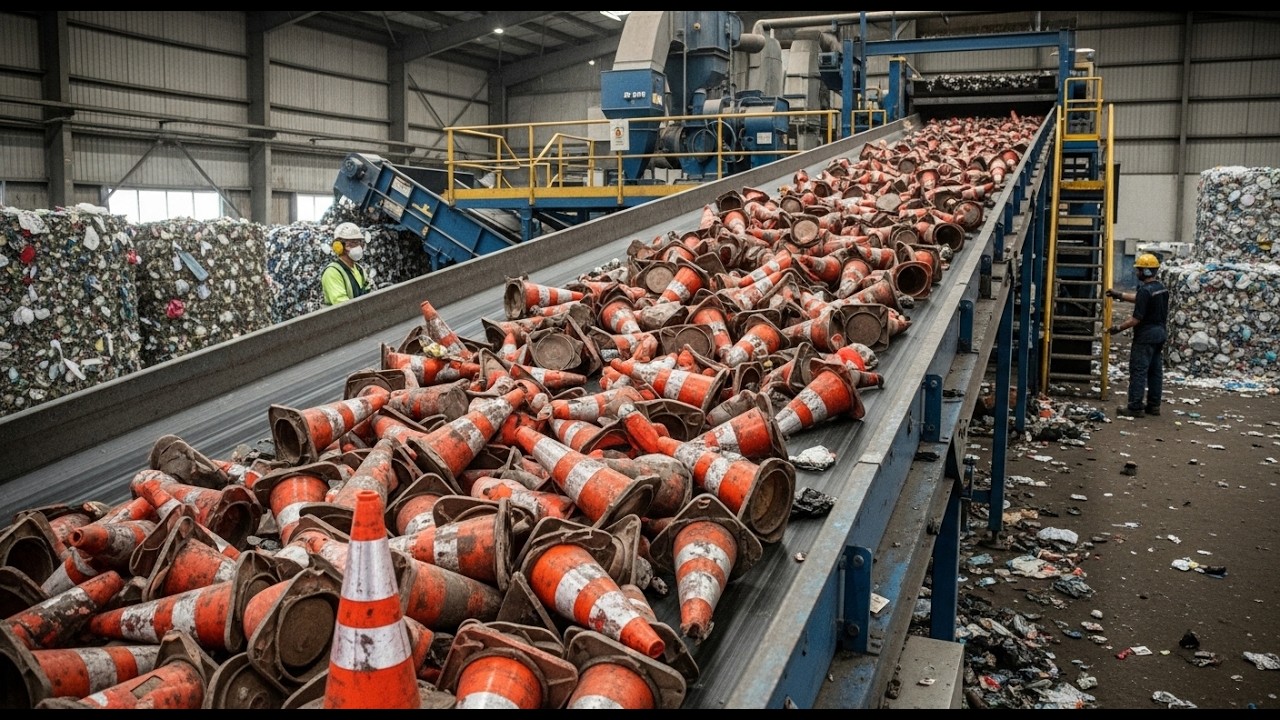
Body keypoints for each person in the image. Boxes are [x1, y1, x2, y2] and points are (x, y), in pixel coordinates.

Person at [1105, 252, 1170, 418]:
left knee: (1139, 370)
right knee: (1155, 371)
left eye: (1139, 270)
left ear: (1146, 272)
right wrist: (1119, 295)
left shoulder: (1145, 291)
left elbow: (1136, 319)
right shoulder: (1161, 288)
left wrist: (1117, 328)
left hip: (1145, 336)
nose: (1137, 273)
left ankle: (1135, 406)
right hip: (1160, 334)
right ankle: (1153, 406)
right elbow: (1140, 299)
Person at [322, 222, 372, 305]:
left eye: (359, 242)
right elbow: (343, 307)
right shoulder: (332, 272)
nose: (358, 247)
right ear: (339, 246)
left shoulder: (360, 270)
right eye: (352, 243)